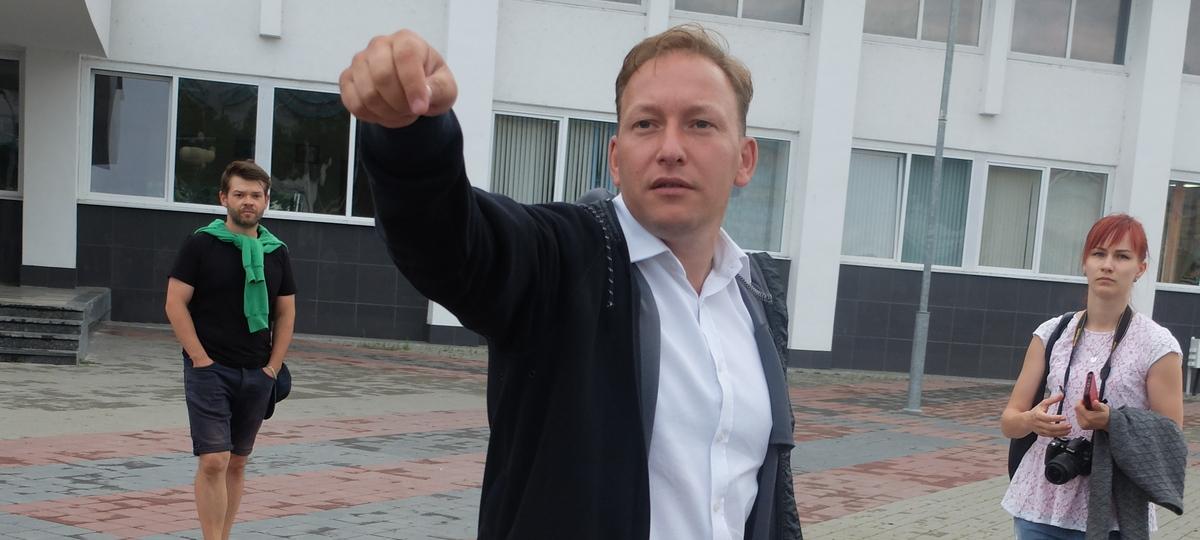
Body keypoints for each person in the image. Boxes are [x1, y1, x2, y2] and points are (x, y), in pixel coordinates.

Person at [340, 24, 800, 540]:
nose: (670, 148)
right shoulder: (561, 260)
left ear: (745, 159)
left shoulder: (755, 296)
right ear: (616, 158)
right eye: (646, 124)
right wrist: (411, 136)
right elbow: (452, 242)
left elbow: (762, 494)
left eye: (700, 124)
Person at [1000, 214, 1185, 539]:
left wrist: (1112, 421)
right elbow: (1009, 422)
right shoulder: (1051, 333)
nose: (1108, 265)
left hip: (1113, 513)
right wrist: (1031, 420)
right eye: (1099, 254)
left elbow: (1171, 436)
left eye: (1122, 256)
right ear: (1084, 263)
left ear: (1140, 268)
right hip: (1038, 501)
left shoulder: (1157, 345)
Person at [164, 160, 297, 540]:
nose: (248, 201)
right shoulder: (201, 244)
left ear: (266, 201)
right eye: (239, 194)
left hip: (257, 372)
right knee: (213, 460)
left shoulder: (276, 252)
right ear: (224, 198)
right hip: (210, 370)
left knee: (237, 462)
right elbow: (175, 303)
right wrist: (199, 359)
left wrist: (273, 367)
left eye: (255, 195)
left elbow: (286, 313)